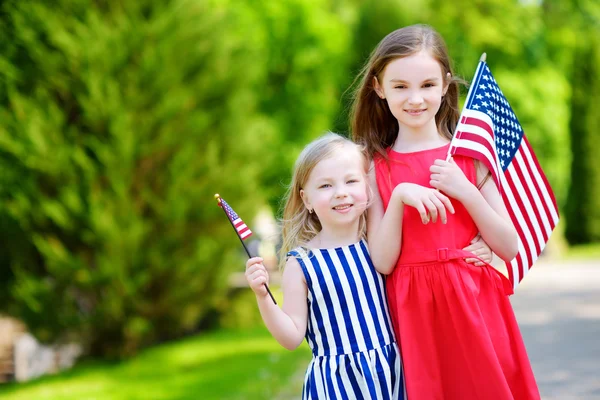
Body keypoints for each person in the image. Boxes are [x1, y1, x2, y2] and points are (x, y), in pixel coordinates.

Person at [350, 24, 540, 399]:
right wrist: (402, 194)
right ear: (378, 88)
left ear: (446, 85)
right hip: (415, 311)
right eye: (400, 86)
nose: (415, 99)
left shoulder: (470, 158)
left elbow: (508, 246)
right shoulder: (375, 167)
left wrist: (467, 191)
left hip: (475, 303)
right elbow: (384, 261)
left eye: (427, 85)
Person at [245, 133, 405, 399]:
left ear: (368, 187)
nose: (341, 193)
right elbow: (291, 337)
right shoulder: (302, 263)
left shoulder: (379, 246)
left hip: (391, 374)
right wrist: (263, 296)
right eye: (325, 186)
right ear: (306, 200)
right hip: (337, 385)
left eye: (351, 181)